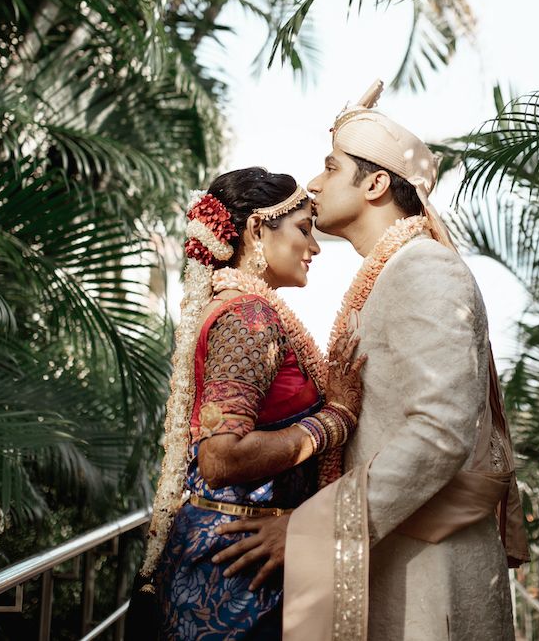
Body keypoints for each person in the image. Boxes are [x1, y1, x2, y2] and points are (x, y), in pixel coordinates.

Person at [214, 84, 529, 641]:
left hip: (429, 575)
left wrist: (313, 527)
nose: (312, 185)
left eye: (330, 168)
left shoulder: (425, 269)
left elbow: (439, 433)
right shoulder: (391, 273)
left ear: (376, 183)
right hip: (390, 553)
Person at [133, 167, 366, 640]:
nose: (315, 248)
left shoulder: (250, 310)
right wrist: (336, 419)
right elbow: (221, 457)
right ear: (258, 229)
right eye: (304, 229)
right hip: (235, 568)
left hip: (242, 554)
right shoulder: (247, 316)